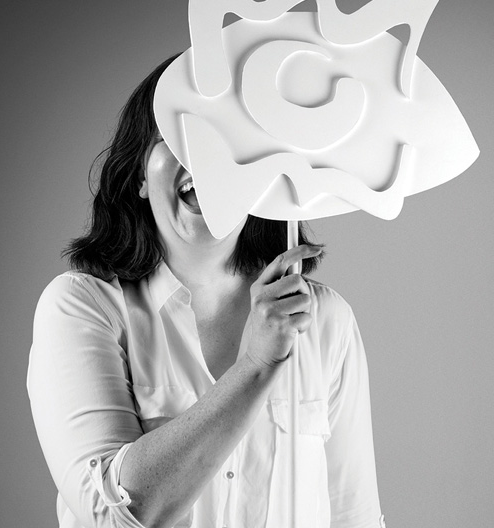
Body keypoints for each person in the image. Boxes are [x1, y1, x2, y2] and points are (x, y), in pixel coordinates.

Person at [27, 56, 385, 528]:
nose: (204, 155)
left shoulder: (325, 319)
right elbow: (112, 518)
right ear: (139, 175)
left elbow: (355, 517)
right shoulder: (81, 308)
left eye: (228, 135)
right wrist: (256, 366)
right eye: (178, 135)